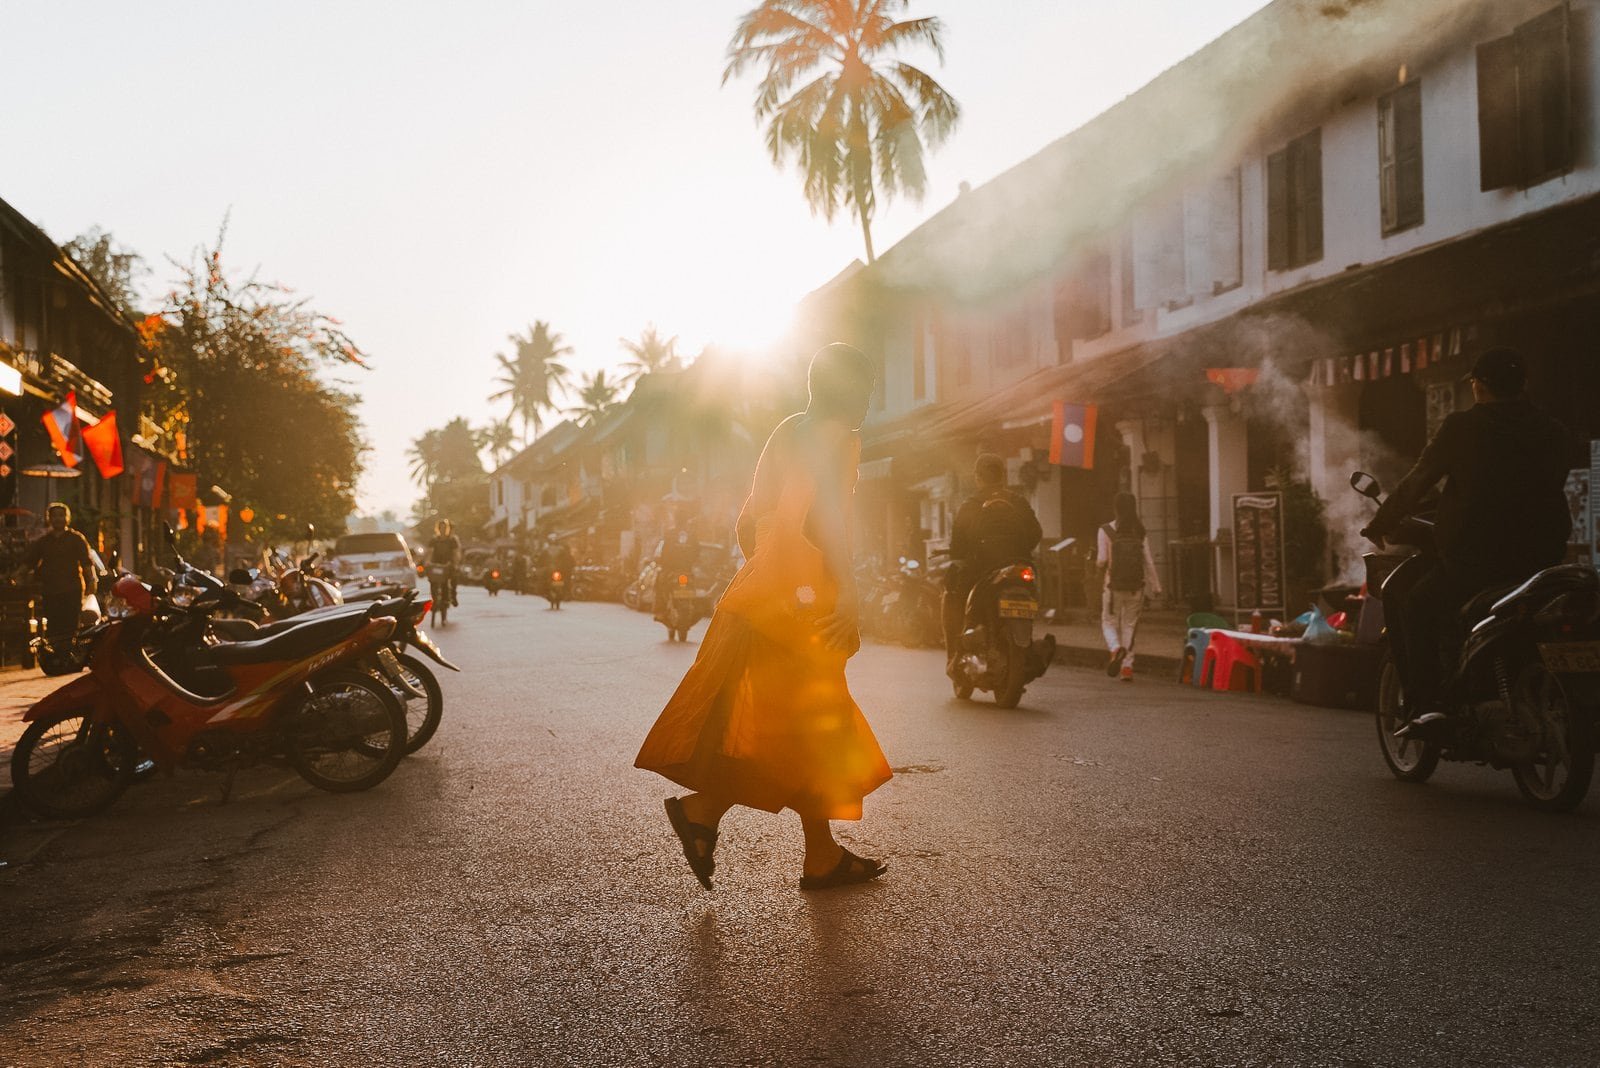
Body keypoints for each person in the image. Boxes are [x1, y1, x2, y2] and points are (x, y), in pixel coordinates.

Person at [635, 343, 892, 892]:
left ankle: (814, 852)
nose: (869, 401)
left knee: (799, 722)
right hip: (806, 606)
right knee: (810, 721)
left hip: (759, 599)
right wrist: (846, 591)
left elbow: (746, 523)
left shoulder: (785, 432)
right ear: (846, 391)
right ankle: (708, 812)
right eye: (866, 389)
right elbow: (829, 519)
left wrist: (773, 574)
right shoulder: (838, 438)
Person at [1363, 347, 1571, 737]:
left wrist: (1381, 522)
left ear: (1478, 385)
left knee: (1416, 604)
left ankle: (1428, 705)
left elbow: (1419, 480)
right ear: (1523, 385)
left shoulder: (1462, 427)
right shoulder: (1553, 431)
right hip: (1542, 560)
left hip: (1477, 562)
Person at [943, 453, 1044, 671]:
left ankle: (956, 654)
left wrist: (965, 555)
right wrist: (1019, 549)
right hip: (1020, 567)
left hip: (981, 570)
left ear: (978, 477)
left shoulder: (970, 505)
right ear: (1003, 476)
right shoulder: (1018, 502)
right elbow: (1036, 533)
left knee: (953, 594)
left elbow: (958, 547)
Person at [1097, 492, 1163, 682]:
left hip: (1113, 586)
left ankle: (1115, 649)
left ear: (1115, 508)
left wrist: (1097, 565)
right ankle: (1127, 667)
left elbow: (1102, 560)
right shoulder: (1139, 532)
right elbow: (1148, 561)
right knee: (1129, 625)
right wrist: (1156, 587)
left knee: (1109, 622)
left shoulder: (1105, 530)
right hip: (1136, 587)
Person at [23, 503, 97, 645]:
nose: (58, 519)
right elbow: (29, 563)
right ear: (49, 518)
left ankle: (68, 652)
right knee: (53, 627)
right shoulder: (44, 542)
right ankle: (55, 654)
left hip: (72, 590)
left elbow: (87, 563)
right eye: (54, 516)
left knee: (71, 625)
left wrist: (92, 581)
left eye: (61, 515)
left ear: (67, 518)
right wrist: (15, 575)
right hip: (50, 591)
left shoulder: (76, 539)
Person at [654, 514, 701, 623]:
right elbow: (697, 551)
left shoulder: (670, 534)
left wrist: (664, 563)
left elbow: (664, 551)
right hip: (687, 570)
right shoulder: (692, 535)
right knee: (694, 586)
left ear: (675, 521)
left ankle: (660, 611)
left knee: (659, 583)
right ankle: (697, 607)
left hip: (671, 570)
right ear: (686, 521)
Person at [428, 519, 462, 607]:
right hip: (436, 565)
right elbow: (430, 552)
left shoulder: (452, 540)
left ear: (447, 528)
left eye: (444, 527)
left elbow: (456, 553)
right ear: (438, 528)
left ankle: (452, 597)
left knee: (451, 579)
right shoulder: (434, 540)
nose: (442, 529)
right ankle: (434, 601)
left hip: (448, 564)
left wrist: (455, 564)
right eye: (441, 527)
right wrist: (428, 562)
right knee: (433, 581)